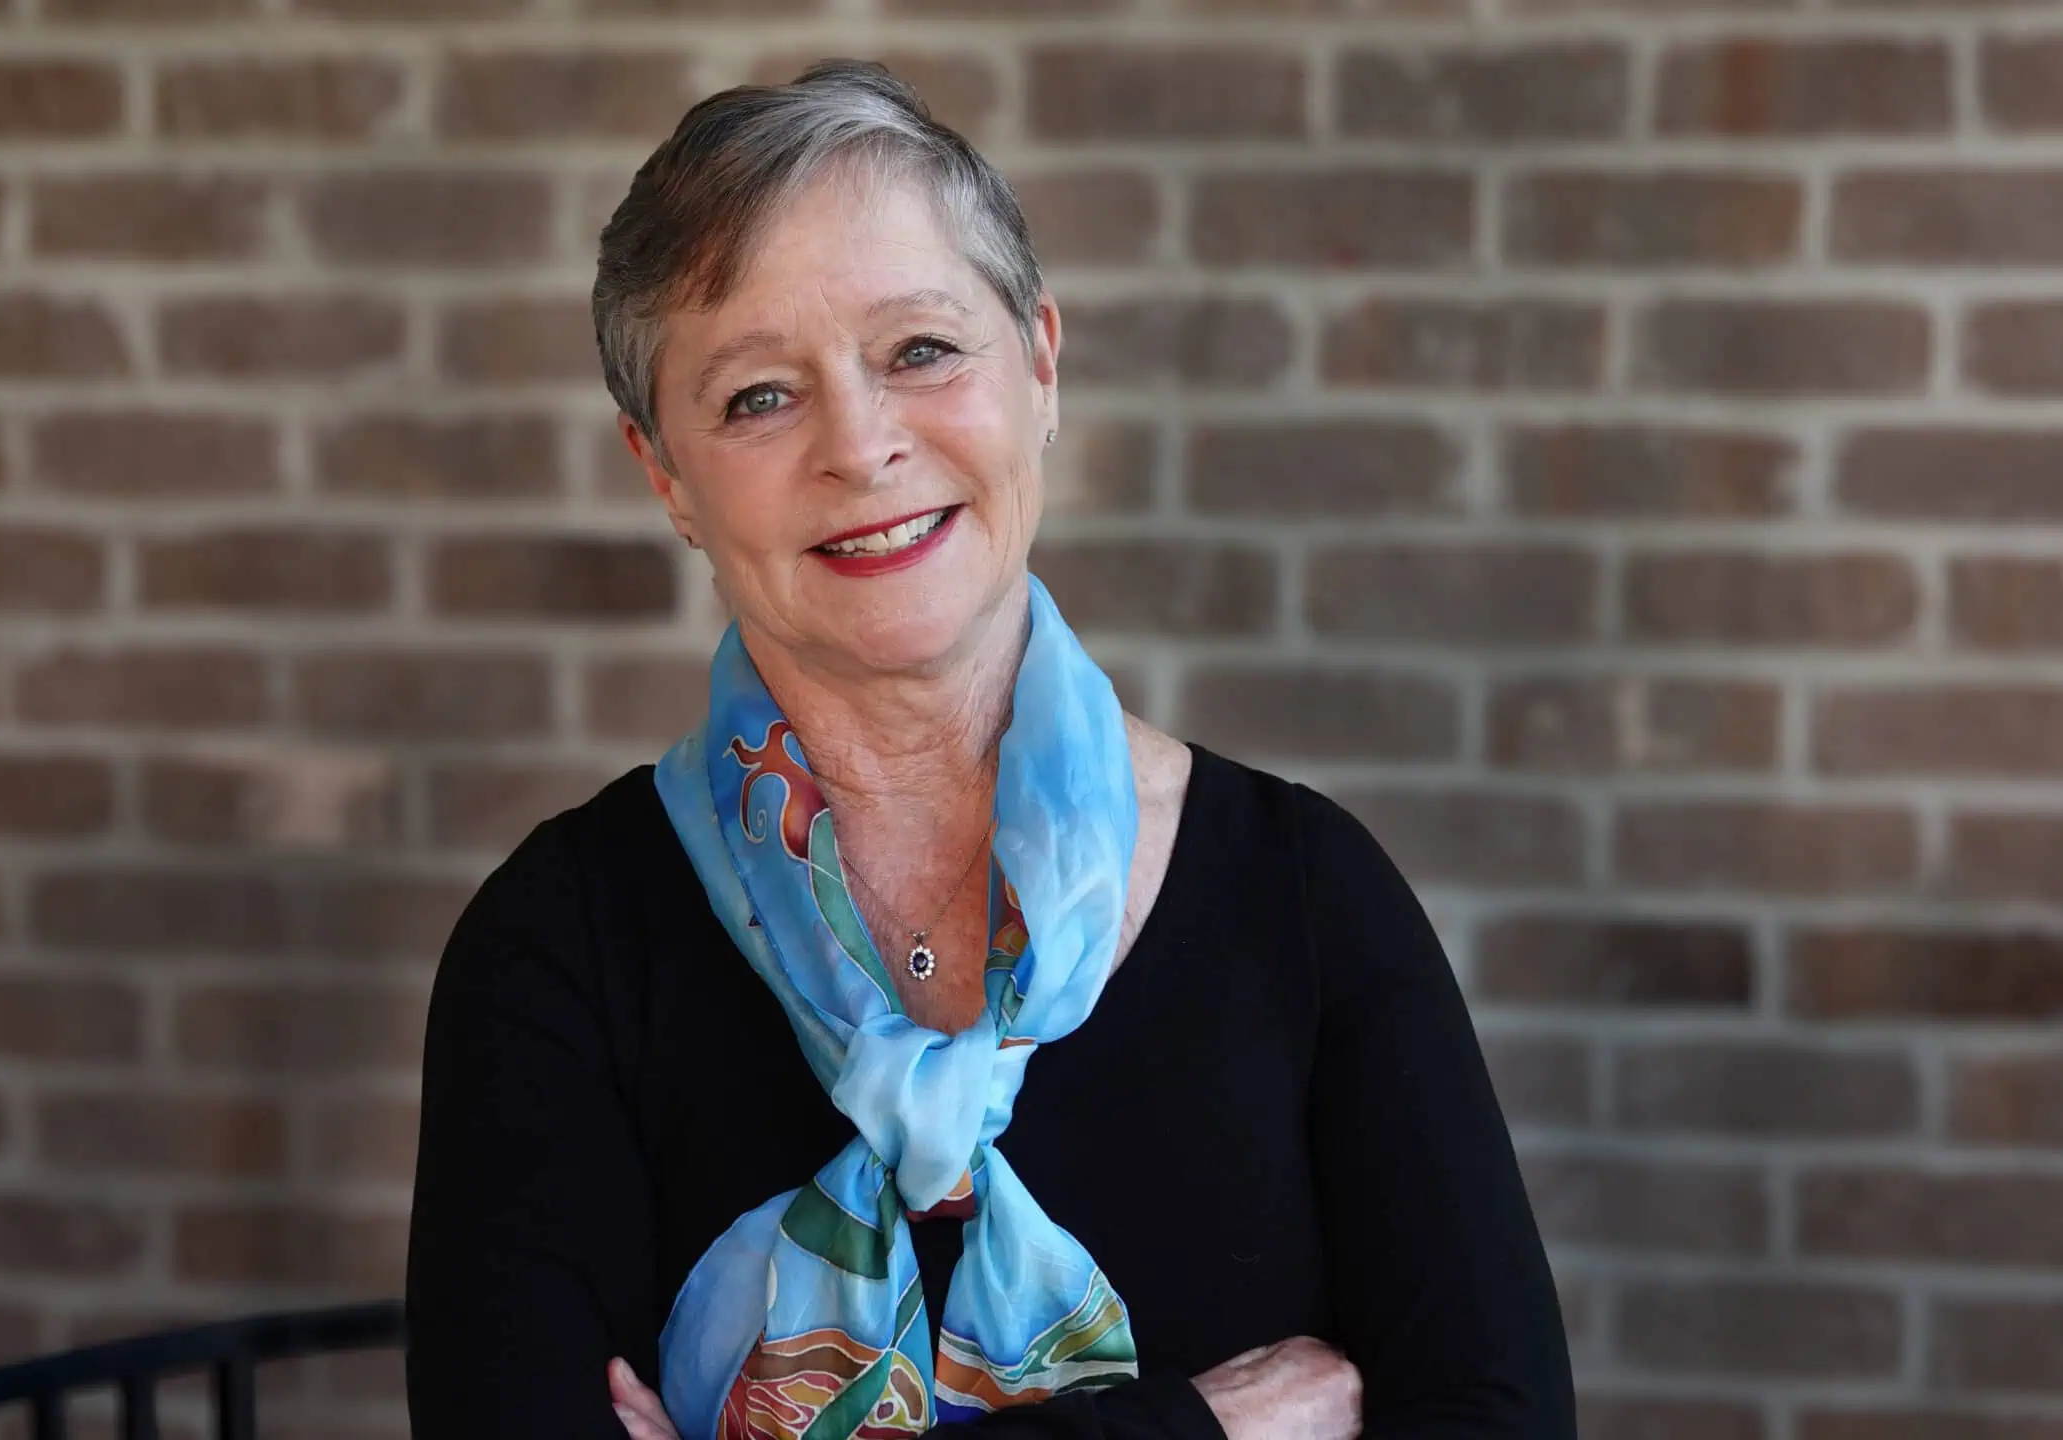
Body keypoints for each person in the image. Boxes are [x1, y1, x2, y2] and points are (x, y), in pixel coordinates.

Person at [404, 59, 1575, 1440]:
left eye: (920, 351)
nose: (862, 444)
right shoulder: (560, 948)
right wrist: (1198, 1429)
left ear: (1040, 365)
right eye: (759, 397)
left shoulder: (1304, 896)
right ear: (665, 473)